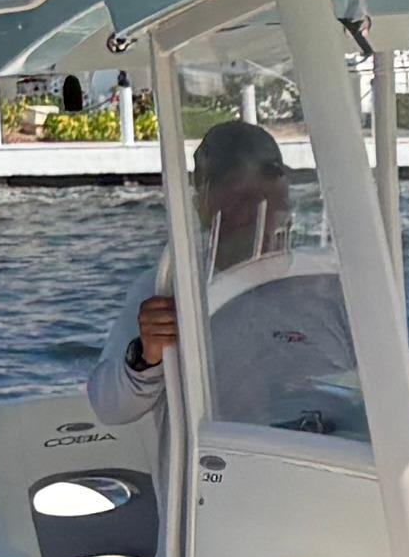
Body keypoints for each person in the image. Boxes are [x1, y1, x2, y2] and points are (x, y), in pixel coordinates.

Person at [91, 120, 361, 436]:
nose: (255, 216)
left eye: (266, 201)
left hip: (335, 454)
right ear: (203, 209)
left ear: (286, 200)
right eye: (239, 204)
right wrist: (147, 354)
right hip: (224, 462)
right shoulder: (168, 289)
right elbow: (109, 407)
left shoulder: (329, 284)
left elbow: (381, 384)